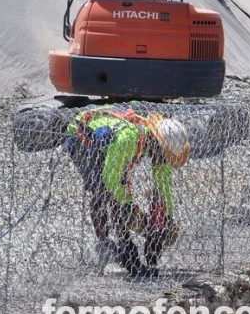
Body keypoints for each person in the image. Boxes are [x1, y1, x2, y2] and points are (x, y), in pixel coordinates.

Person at [64, 105, 190, 278]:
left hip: (110, 144)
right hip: (84, 137)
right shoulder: (129, 139)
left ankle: (127, 252)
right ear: (156, 142)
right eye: (163, 155)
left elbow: (163, 184)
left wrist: (166, 217)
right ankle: (110, 250)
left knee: (120, 195)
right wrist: (128, 204)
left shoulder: (155, 147)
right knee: (102, 190)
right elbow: (111, 178)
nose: (161, 160)